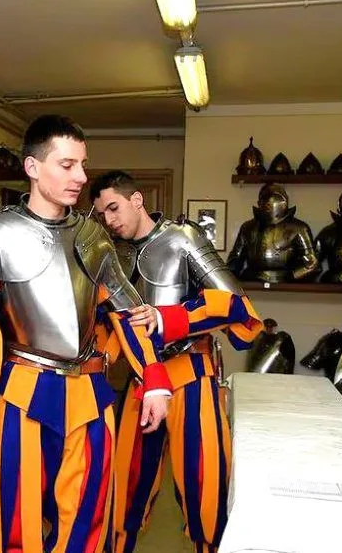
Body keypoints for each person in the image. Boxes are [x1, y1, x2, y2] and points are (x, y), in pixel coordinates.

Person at [0, 115, 196, 553]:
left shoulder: (95, 237)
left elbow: (130, 315)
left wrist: (155, 381)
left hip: (90, 395)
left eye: (83, 165)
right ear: (32, 167)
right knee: (12, 527)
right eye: (67, 165)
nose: (81, 177)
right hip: (23, 394)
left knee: (88, 524)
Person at [90, 171, 262, 553]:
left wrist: (169, 318)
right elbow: (108, 321)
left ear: (136, 200)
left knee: (205, 482)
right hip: (140, 380)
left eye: (114, 208)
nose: (110, 220)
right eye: (102, 214)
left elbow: (237, 305)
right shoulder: (111, 253)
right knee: (126, 482)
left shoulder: (183, 239)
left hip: (191, 374)